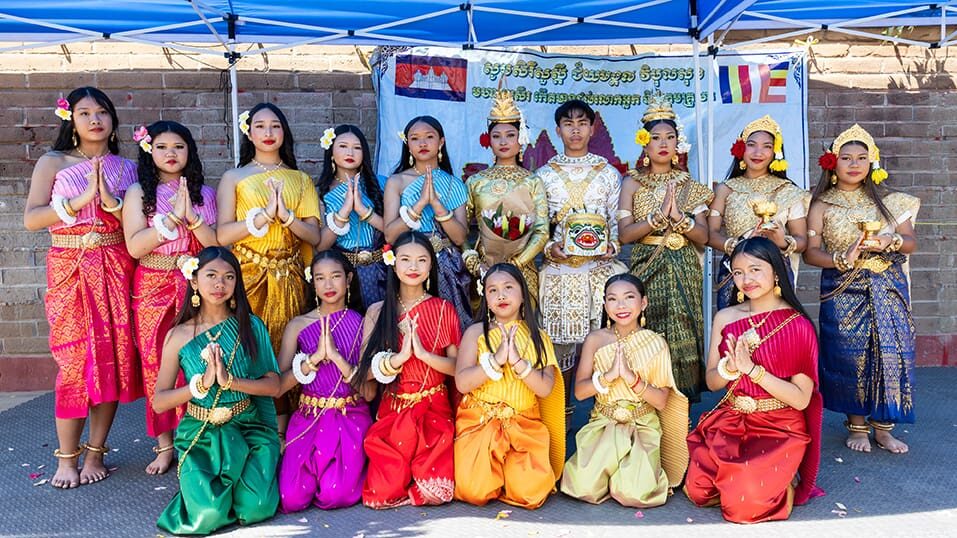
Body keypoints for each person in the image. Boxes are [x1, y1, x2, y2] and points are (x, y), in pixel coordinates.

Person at [23, 87, 141, 489]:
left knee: (113, 357)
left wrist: (109, 200)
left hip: (116, 266)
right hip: (70, 267)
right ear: (69, 119)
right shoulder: (52, 162)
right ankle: (66, 458)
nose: (95, 120)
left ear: (112, 119)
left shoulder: (128, 167)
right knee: (74, 363)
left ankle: (95, 452)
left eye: (102, 111)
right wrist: (78, 202)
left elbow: (136, 220)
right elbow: (32, 219)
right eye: (85, 112)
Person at [685, 237, 823, 524]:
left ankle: (785, 482)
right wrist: (730, 369)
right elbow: (712, 383)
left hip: (779, 425)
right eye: (737, 272)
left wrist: (752, 370)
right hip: (732, 418)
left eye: (755, 269)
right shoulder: (725, 317)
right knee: (698, 491)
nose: (745, 279)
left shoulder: (797, 324)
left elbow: (800, 398)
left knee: (743, 507)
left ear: (776, 271)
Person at [804, 124, 919, 454]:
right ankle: (856, 425)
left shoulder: (891, 202)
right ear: (832, 163)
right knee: (850, 357)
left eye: (862, 158)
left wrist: (890, 240)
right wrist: (843, 257)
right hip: (843, 287)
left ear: (873, 163)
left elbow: (910, 242)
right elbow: (811, 253)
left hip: (887, 284)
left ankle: (884, 428)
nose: (854, 164)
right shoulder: (822, 205)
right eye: (846, 157)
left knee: (891, 354)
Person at [153, 247, 281, 535]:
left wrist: (230, 381)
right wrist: (200, 385)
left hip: (248, 429)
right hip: (200, 434)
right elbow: (159, 402)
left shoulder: (251, 326)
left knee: (257, 508)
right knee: (207, 517)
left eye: (228, 277)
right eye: (211, 275)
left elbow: (273, 386)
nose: (220, 284)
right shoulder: (178, 336)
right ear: (194, 281)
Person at [216, 102, 321, 430]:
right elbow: (222, 234)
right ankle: (246, 425)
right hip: (248, 276)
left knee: (285, 352)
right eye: (260, 126)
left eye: (275, 126)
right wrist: (262, 217)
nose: (268, 133)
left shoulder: (300, 179)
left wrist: (286, 217)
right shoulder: (235, 177)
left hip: (288, 277)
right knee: (249, 348)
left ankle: (283, 430)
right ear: (249, 132)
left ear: (284, 132)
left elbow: (314, 235)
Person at [123, 120, 219, 475]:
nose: (171, 154)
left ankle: (199, 436)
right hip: (153, 284)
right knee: (156, 365)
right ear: (150, 151)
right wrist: (172, 220)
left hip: (197, 285)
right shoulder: (138, 193)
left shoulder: (205, 194)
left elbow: (217, 247)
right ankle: (164, 445)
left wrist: (191, 219)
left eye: (178, 147)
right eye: (162, 147)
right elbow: (134, 246)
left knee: (200, 360)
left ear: (189, 151)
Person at [562, 274, 688, 508]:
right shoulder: (595, 340)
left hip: (642, 425)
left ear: (643, 303)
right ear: (604, 305)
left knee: (635, 494)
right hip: (603, 422)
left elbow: (661, 401)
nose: (621, 306)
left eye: (629, 298)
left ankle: (636, 472)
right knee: (582, 487)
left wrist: (631, 379)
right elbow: (579, 393)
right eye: (612, 299)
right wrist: (608, 377)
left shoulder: (655, 342)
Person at [535, 99, 625, 423]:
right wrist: (549, 249)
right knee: (561, 351)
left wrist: (612, 246)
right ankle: (562, 415)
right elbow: (538, 226)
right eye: (569, 124)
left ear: (593, 128)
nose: (576, 130)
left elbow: (617, 225)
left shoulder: (608, 174)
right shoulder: (543, 176)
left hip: (601, 272)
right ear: (558, 130)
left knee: (607, 345)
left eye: (582, 123)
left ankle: (606, 414)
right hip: (560, 271)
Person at [618, 96, 713, 402]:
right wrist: (657, 217)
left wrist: (678, 218)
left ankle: (681, 405)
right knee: (649, 325)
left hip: (683, 263)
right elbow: (624, 235)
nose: (663, 144)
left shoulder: (690, 185)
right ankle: (648, 400)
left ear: (678, 143)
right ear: (644, 144)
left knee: (684, 328)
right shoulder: (632, 184)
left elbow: (704, 235)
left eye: (670, 138)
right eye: (656, 138)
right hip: (647, 261)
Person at [357, 231, 461, 508]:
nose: (413, 267)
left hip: (434, 409)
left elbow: (457, 368)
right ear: (392, 262)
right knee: (381, 494)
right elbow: (365, 373)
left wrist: (424, 355)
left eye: (421, 260)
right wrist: (398, 359)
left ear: (431, 266)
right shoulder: (378, 312)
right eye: (405, 260)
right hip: (394, 410)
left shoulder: (443, 308)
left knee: (435, 492)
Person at [453, 264, 564, 509]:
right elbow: (462, 383)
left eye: (508, 287)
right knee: (474, 491)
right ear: (485, 297)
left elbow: (545, 389)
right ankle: (493, 473)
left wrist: (517, 361)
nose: (501, 295)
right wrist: (495, 360)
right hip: (480, 423)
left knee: (530, 493)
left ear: (523, 294)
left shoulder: (539, 337)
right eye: (492, 290)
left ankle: (509, 474)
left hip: (524, 426)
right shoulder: (476, 333)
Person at [276, 250, 372, 511]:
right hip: (308, 417)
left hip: (349, 416)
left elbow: (370, 393)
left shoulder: (362, 323)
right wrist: (314, 359)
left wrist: (339, 360)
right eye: (320, 278)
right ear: (312, 282)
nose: (328, 285)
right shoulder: (298, 325)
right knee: (291, 498)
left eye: (335, 276)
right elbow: (279, 387)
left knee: (334, 495)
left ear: (349, 279)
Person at [708, 115, 809, 309]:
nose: (758, 152)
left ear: (775, 152)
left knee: (774, 330)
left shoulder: (787, 190)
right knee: (734, 326)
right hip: (736, 269)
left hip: (775, 270)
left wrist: (782, 241)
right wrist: (737, 245)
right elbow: (710, 234)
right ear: (741, 149)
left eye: (767, 146)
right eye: (751, 145)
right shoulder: (725, 189)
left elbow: (802, 240)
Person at [383, 116, 472, 331]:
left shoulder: (454, 183)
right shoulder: (397, 181)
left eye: (429, 137)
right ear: (408, 144)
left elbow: (460, 237)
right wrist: (420, 204)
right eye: (415, 138)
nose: (422, 143)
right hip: (409, 265)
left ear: (441, 142)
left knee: (445, 326)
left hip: (446, 266)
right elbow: (389, 235)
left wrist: (437, 205)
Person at [463, 88, 548, 301]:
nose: (503, 142)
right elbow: (460, 229)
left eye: (510, 135)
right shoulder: (476, 181)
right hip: (484, 270)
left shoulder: (532, 181)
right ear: (488, 140)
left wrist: (516, 264)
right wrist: (473, 262)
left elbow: (542, 231)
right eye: (496, 136)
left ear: (521, 138)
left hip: (523, 270)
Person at [316, 124, 388, 308]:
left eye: (357, 148)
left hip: (381, 270)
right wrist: (345, 211)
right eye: (343, 146)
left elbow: (394, 232)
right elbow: (321, 245)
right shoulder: (322, 193)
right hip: (344, 272)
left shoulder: (380, 184)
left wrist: (364, 211)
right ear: (331, 151)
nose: (350, 152)